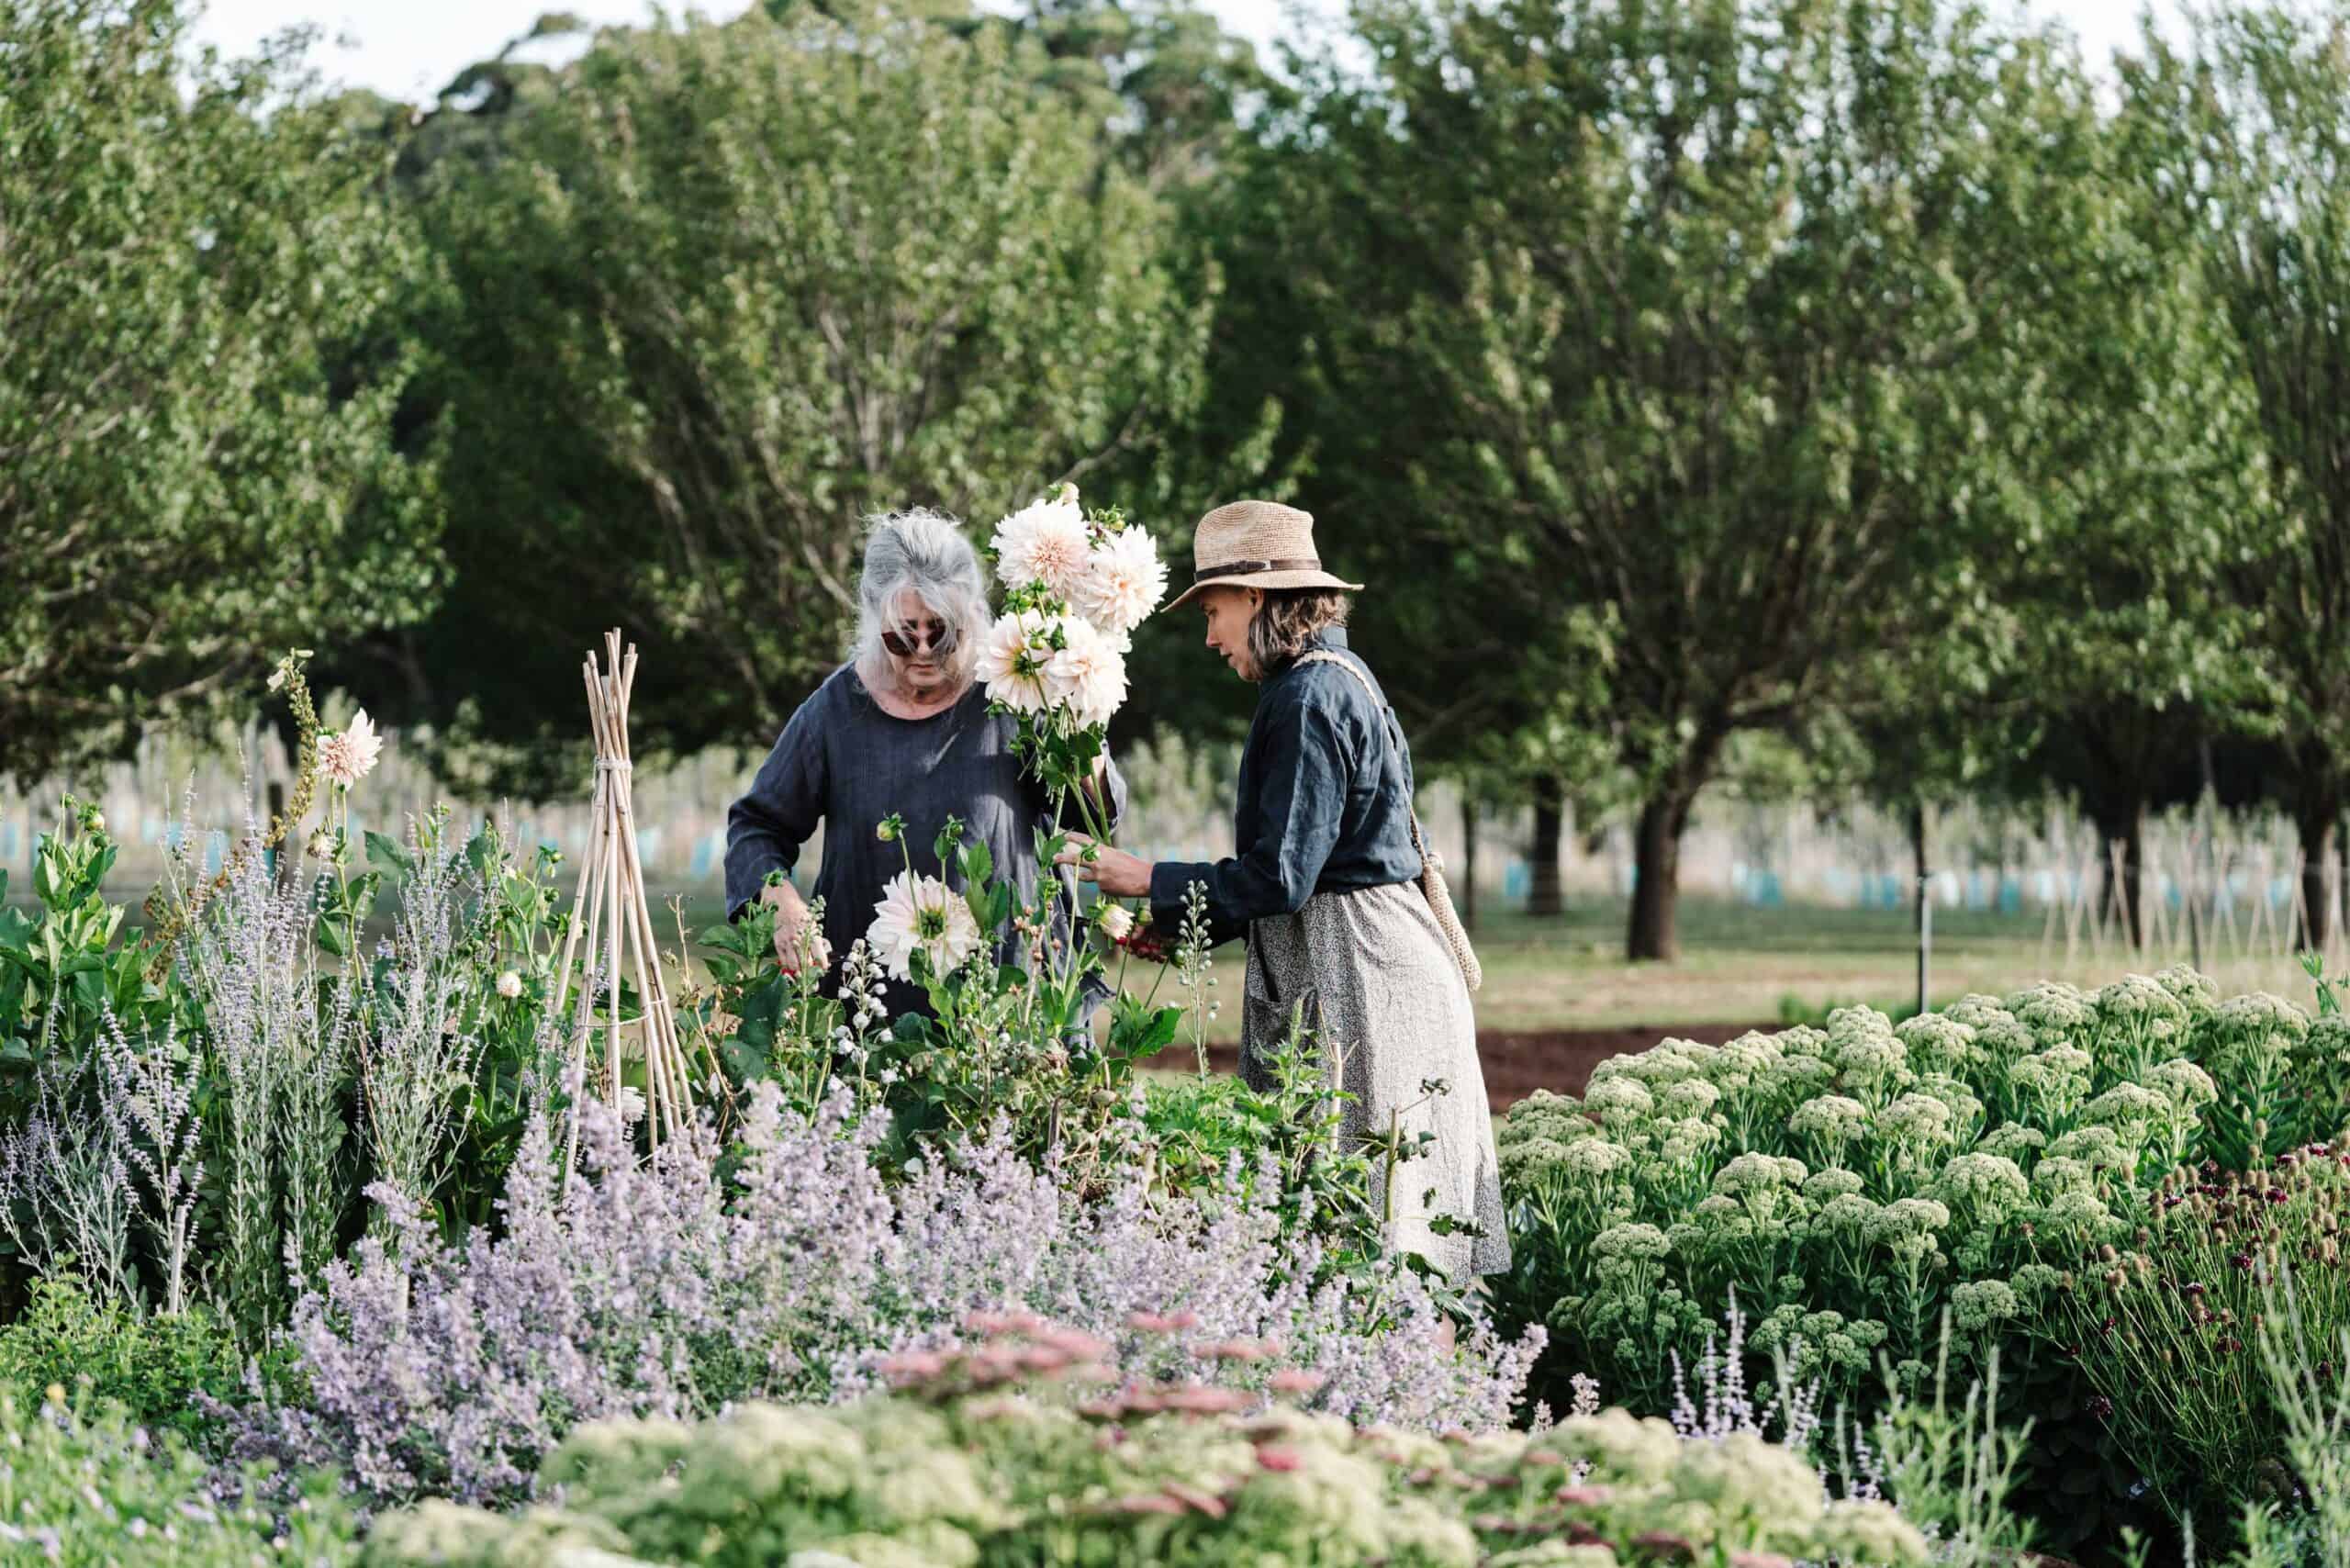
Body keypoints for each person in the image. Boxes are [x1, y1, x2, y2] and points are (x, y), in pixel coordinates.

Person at [1060, 499, 1507, 1282]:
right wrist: (1180, 920)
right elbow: (1301, 866)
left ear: (1258, 598)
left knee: (1380, 1237)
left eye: (1215, 610)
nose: (1209, 638)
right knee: (1381, 1234)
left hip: (1364, 975)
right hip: (1373, 959)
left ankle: (1401, 1404)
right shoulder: (1333, 679)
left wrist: (1147, 877)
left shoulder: (1308, 697)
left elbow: (1283, 877)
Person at [726, 509, 1125, 1021]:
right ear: (873, 623)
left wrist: (1079, 714)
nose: (921, 650)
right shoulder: (836, 710)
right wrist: (783, 905)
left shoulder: (1015, 691)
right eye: (900, 635)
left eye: (940, 632)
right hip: (871, 1008)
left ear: (972, 616)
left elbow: (1093, 817)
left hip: (1011, 1001)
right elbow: (757, 826)